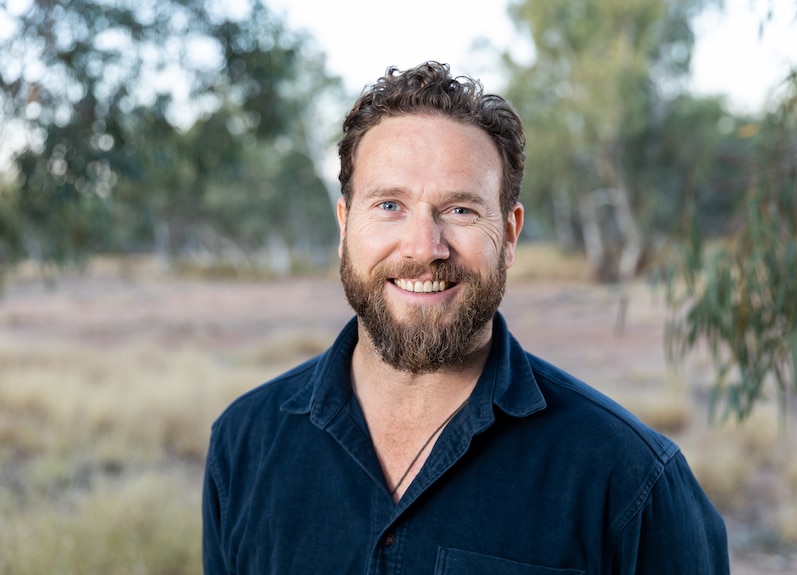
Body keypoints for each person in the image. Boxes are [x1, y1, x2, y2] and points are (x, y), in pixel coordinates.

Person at [202, 61, 729, 574]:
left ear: (511, 235)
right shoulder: (244, 442)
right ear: (344, 226)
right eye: (389, 205)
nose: (424, 248)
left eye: (460, 210)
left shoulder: (630, 479)